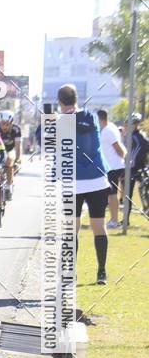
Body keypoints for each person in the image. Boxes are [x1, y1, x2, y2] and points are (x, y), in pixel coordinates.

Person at [57, 84, 110, 284]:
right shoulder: (93, 117)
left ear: (60, 101)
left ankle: (70, 274)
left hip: (74, 183)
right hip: (97, 180)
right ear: (76, 98)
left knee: (71, 230)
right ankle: (101, 273)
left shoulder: (62, 122)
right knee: (99, 227)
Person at [97, 108, 126, 228]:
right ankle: (112, 219)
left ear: (100, 119)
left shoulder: (108, 130)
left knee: (112, 194)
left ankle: (114, 220)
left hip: (113, 166)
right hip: (111, 166)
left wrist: (122, 158)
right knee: (110, 194)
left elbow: (118, 147)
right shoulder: (110, 127)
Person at [124, 112, 149, 224]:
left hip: (138, 170)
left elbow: (135, 154)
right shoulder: (130, 136)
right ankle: (126, 219)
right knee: (127, 195)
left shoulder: (138, 137)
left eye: (132, 123)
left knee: (143, 193)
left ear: (136, 124)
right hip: (132, 169)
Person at [0, 110, 22, 199]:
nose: (4, 127)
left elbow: (18, 147)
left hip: (10, 149)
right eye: (2, 124)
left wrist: (18, 161)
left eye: (7, 124)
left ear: (11, 123)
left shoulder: (16, 129)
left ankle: (9, 185)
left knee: (10, 160)